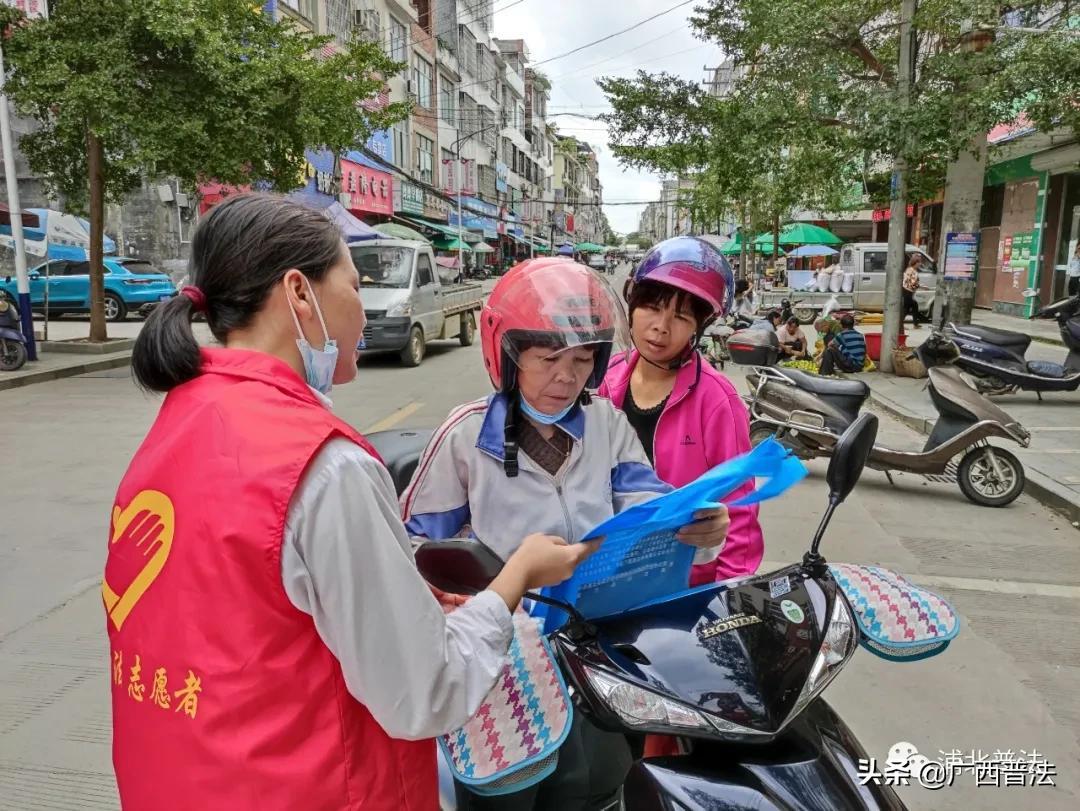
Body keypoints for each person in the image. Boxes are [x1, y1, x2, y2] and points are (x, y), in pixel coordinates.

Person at [110, 194, 595, 810]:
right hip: (310, 787)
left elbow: (241, 616)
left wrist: (407, 597)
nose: (364, 312)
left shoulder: (175, 426)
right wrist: (517, 576)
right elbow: (426, 690)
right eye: (353, 283)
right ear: (299, 293)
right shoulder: (324, 465)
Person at [401, 258, 730, 810]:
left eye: (582, 359)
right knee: (502, 796)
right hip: (502, 668)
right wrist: (460, 594)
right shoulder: (463, 438)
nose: (566, 376)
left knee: (597, 790)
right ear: (507, 355)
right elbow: (410, 551)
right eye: (547, 358)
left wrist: (699, 527)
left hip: (597, 658)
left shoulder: (606, 425)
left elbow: (648, 506)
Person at [600, 236, 763, 584]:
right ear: (633, 305)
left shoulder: (717, 400)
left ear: (698, 328)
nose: (661, 326)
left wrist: (728, 595)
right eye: (653, 308)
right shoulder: (606, 381)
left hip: (683, 583)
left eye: (681, 316)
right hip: (606, 574)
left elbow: (740, 509)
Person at [903, 254, 923, 328]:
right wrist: (922, 287)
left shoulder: (911, 269)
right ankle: (901, 324)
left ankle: (915, 324)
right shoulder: (911, 270)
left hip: (907, 291)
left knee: (912, 306)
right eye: (919, 262)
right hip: (907, 291)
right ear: (915, 262)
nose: (920, 264)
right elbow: (912, 283)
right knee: (907, 308)